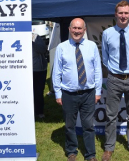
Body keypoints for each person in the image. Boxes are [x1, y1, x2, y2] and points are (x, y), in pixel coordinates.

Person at [101, 0, 129, 161]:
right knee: (111, 115)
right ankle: (109, 148)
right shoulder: (107, 34)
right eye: (120, 12)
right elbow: (105, 57)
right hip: (114, 79)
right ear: (115, 14)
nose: (123, 16)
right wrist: (115, 71)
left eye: (126, 13)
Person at [52, 18, 102, 161]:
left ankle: (90, 155)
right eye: (74, 28)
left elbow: (97, 69)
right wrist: (57, 92)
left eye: (80, 28)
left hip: (88, 93)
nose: (77, 31)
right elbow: (57, 72)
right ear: (69, 29)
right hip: (68, 93)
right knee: (69, 125)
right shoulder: (62, 47)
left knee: (88, 125)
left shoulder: (92, 46)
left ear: (84, 30)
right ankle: (71, 151)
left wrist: (98, 91)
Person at [32, 33, 48, 119]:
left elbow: (43, 50)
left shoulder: (35, 37)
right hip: (25, 70)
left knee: (38, 91)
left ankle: (39, 112)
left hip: (39, 70)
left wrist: (31, 42)